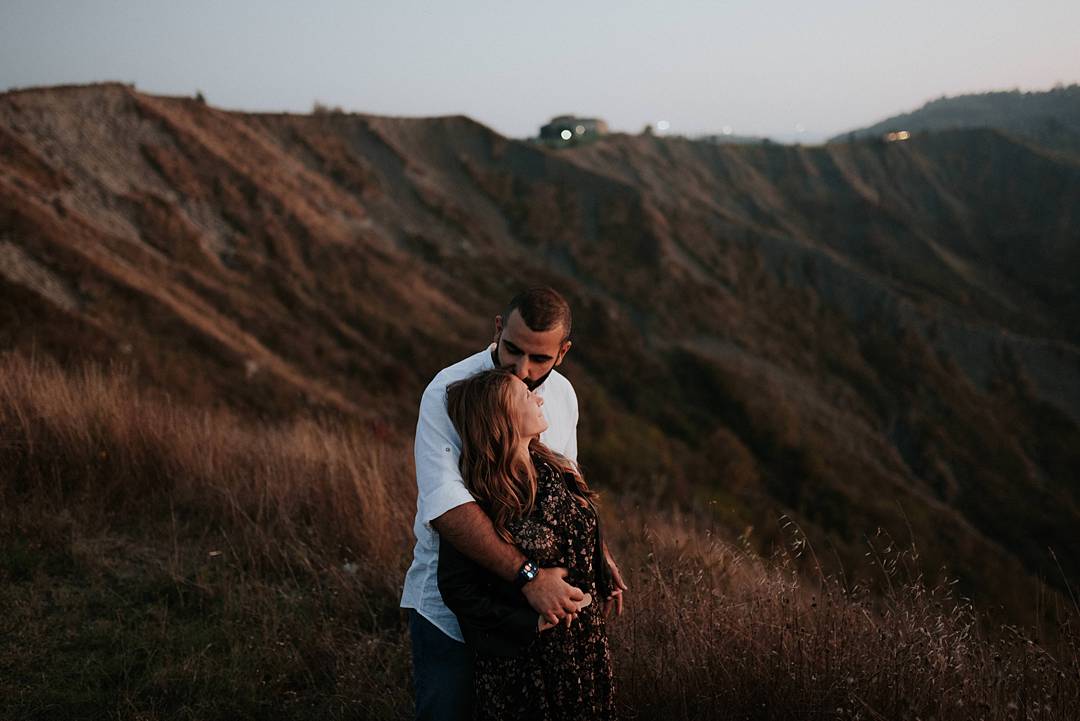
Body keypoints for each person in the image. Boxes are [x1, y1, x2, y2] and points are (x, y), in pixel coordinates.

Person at [400, 287, 626, 721]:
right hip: (454, 610)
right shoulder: (447, 391)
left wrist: (599, 554)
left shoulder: (561, 396)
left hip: (535, 621)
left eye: (539, 358)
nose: (523, 371)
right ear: (498, 329)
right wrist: (529, 577)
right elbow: (449, 509)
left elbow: (567, 483)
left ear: (562, 352)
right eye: (513, 350)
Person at [439, 368, 617, 720]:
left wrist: (602, 569)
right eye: (525, 395)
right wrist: (526, 623)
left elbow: (581, 529)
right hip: (526, 669)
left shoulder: (554, 467)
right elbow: (457, 588)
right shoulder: (483, 497)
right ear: (502, 418)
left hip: (584, 650)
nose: (538, 397)